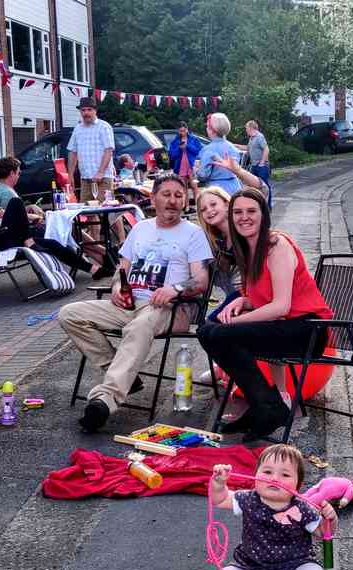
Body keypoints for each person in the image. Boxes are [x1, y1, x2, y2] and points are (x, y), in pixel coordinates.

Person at [59, 174, 213, 431]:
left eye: (178, 195)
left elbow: (201, 280)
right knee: (69, 314)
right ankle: (126, 377)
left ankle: (105, 399)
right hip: (129, 305)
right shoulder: (141, 228)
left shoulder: (193, 233)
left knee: (138, 328)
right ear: (153, 198)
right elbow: (123, 268)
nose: (173, 201)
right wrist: (119, 287)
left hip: (170, 308)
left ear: (185, 201)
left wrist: (175, 289)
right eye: (166, 194)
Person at [197, 188, 332, 440]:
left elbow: (280, 306)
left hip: (307, 330)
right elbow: (263, 298)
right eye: (238, 212)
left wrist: (236, 321)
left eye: (251, 211)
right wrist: (243, 302)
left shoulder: (276, 244)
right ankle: (264, 404)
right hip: (283, 326)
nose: (244, 217)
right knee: (206, 331)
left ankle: (268, 406)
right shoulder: (248, 248)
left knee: (221, 334)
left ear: (263, 215)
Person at [193, 445, 353, 570]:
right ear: (255, 476)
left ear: (298, 485)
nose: (274, 478)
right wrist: (219, 484)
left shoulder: (303, 508)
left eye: (285, 475)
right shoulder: (248, 499)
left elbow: (323, 533)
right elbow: (220, 499)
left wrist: (331, 519)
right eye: (267, 471)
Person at [0, 176, 104, 277]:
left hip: (2, 237)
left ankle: (93, 269)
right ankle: (28, 240)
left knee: (52, 244)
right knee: (15, 202)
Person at [66, 97, 115, 204]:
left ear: (95, 111)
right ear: (80, 112)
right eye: (83, 110)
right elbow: (72, 152)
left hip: (103, 178)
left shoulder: (104, 127)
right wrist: (70, 175)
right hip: (85, 179)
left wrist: (101, 172)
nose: (86, 113)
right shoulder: (77, 129)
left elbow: (109, 151)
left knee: (107, 211)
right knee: (87, 212)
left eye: (89, 110)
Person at [192, 113, 242, 196]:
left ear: (213, 131)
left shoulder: (208, 150)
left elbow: (203, 175)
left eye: (208, 127)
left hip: (217, 190)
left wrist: (196, 171)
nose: (206, 129)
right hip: (235, 187)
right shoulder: (233, 148)